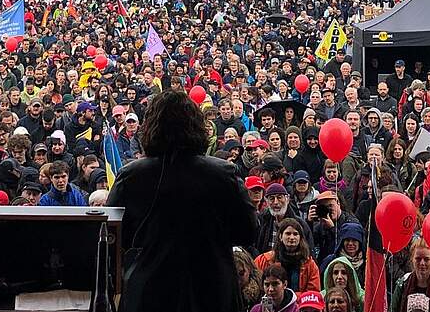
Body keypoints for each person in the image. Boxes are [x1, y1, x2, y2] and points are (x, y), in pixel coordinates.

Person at [107, 89, 256, 312]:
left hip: (151, 292)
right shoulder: (222, 173)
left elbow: (114, 237)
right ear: (196, 125)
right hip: (212, 290)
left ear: (151, 127)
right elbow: (248, 231)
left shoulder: (132, 176)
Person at [253, 218, 322, 292]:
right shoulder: (263, 260)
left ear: (300, 238)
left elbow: (313, 293)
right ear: (280, 236)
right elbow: (256, 287)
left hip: (300, 303)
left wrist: (292, 298)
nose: (292, 237)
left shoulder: (309, 264)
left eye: (295, 234)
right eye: (288, 233)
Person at [391, 238, 430, 312]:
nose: (422, 263)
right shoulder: (403, 283)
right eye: (418, 259)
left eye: (426, 259)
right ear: (412, 259)